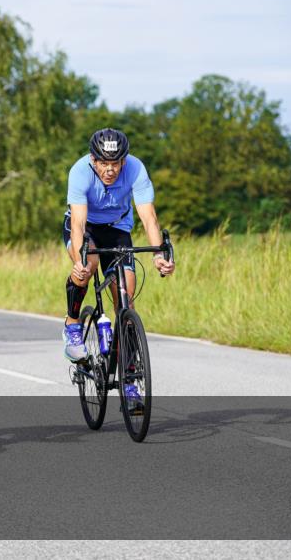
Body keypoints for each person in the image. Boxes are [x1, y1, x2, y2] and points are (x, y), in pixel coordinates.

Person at [61, 128, 176, 397]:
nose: (110, 170)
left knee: (126, 299)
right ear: (93, 159)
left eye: (115, 163)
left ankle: (129, 379)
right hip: (86, 227)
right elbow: (77, 222)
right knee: (86, 268)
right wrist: (79, 259)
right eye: (104, 163)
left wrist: (159, 255)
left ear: (123, 160)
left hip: (117, 228)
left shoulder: (136, 169)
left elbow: (149, 218)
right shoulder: (79, 171)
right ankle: (72, 325)